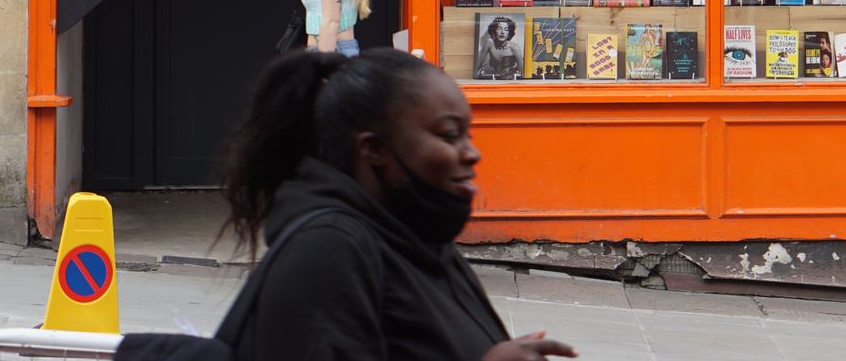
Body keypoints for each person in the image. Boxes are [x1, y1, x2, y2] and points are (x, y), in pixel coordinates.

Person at [214, 48, 577, 360]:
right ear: (374, 150)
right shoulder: (327, 250)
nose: (472, 153)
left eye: (468, 133)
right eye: (449, 135)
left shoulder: (418, 234)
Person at [473, 16, 522, 81]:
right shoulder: (489, 43)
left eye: (506, 29)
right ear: (494, 31)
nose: (502, 32)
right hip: (492, 79)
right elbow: (478, 65)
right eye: (499, 28)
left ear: (509, 32)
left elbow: (522, 71)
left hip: (509, 80)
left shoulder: (515, 48)